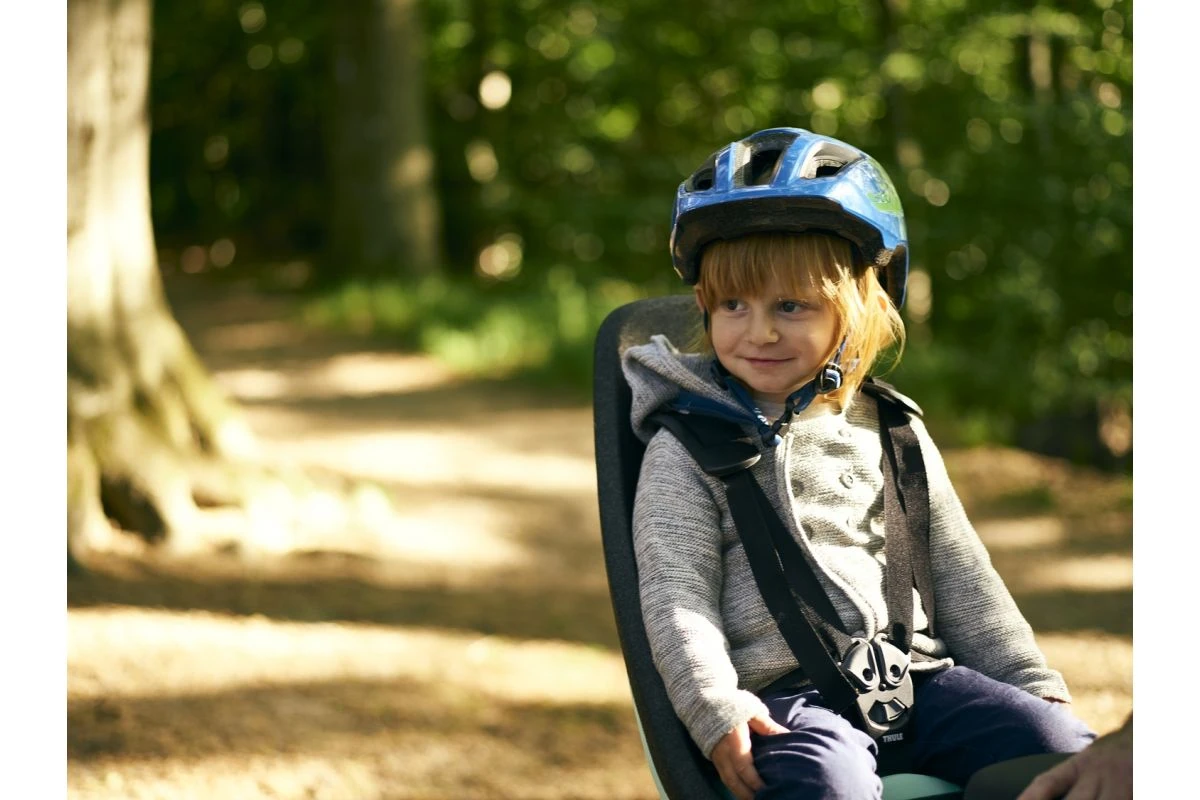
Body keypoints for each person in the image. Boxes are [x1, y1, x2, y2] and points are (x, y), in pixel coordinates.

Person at [622, 127, 1096, 800]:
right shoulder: (685, 446)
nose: (760, 330)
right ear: (705, 304)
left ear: (859, 308)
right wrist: (715, 705)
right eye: (734, 304)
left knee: (1065, 752)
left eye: (791, 305)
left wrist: (1030, 685)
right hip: (786, 701)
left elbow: (963, 574)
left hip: (919, 680)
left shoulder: (895, 431)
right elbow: (677, 596)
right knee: (825, 781)